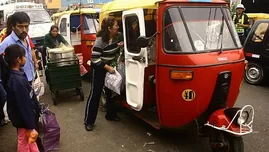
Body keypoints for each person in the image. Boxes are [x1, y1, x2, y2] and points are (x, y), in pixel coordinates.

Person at [84, 16, 124, 131]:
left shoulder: (118, 36)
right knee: (95, 94)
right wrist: (107, 67)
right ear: (109, 28)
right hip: (99, 69)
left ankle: (110, 115)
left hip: (110, 66)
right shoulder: (100, 41)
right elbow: (95, 59)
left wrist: (120, 46)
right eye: (116, 25)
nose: (118, 27)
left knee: (111, 92)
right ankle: (89, 121)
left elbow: (121, 45)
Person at [4, 44, 41, 152]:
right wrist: (30, 126)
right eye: (24, 56)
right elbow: (24, 106)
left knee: (29, 140)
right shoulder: (17, 81)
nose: (26, 58)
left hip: (23, 120)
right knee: (24, 142)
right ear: (18, 60)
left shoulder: (16, 75)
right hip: (24, 121)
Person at [0, 12, 38, 83]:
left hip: (30, 79)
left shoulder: (26, 38)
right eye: (20, 26)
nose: (24, 30)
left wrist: (35, 63)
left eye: (26, 26)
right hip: (18, 84)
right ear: (13, 27)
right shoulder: (7, 43)